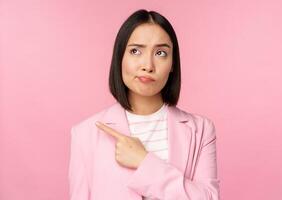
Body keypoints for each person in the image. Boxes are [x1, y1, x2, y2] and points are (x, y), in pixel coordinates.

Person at [68, 9, 220, 200]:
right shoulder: (85, 134)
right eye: (135, 51)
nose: (148, 65)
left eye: (161, 53)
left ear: (173, 63)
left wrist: (145, 162)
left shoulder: (201, 130)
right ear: (120, 58)